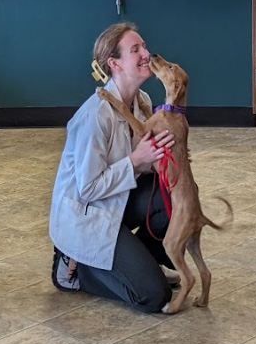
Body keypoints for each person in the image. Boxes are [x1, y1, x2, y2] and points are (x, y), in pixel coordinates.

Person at [48, 22, 178, 313]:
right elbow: (89, 188)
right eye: (136, 50)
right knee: (154, 296)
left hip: (114, 202)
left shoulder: (143, 101)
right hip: (86, 215)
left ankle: (138, 261)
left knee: (172, 194)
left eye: (143, 46)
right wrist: (136, 159)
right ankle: (77, 268)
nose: (146, 53)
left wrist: (160, 159)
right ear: (114, 64)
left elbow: (140, 169)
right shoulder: (95, 115)